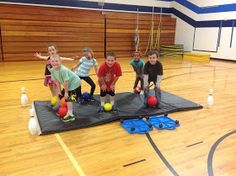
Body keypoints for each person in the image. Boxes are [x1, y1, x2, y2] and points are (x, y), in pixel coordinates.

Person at [50, 54, 81, 122]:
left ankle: (70, 115)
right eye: (52, 61)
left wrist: (66, 92)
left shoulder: (63, 70)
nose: (54, 63)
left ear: (60, 61)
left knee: (69, 98)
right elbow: (57, 81)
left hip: (74, 82)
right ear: (50, 62)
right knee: (64, 96)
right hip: (68, 84)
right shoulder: (52, 70)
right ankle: (68, 107)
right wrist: (59, 90)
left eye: (56, 61)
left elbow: (66, 81)